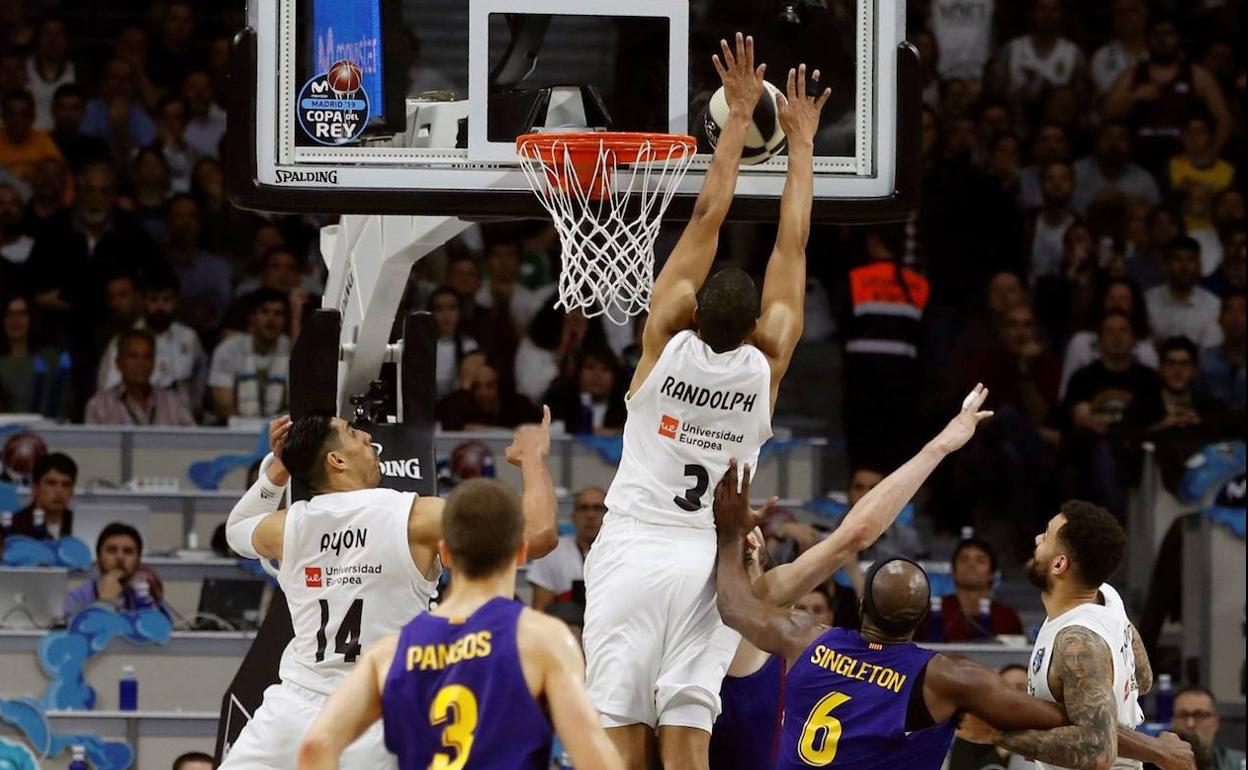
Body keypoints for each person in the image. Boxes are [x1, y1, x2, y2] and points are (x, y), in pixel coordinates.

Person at [581, 37, 830, 769]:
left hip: (631, 546)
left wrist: (736, 121)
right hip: (710, 556)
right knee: (690, 729)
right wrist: (801, 144)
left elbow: (705, 219)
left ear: (690, 311)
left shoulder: (661, 342)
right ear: (756, 325)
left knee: (622, 729)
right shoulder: (770, 359)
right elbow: (794, 241)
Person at [714, 473, 1196, 770]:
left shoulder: (805, 637)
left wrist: (731, 535)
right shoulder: (1108, 602)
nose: (1034, 537)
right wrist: (1157, 748)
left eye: (1046, 537)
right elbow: (1134, 684)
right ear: (925, 619)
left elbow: (734, 606)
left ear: (860, 609)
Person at [220, 411, 558, 769]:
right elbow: (538, 535)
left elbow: (236, 529)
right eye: (352, 433)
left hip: (292, 711)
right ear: (336, 460)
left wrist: (278, 470)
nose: (367, 436)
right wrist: (532, 458)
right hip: (377, 714)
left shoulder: (289, 525)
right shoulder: (413, 517)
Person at [711, 386, 995, 770]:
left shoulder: (764, 614)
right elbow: (855, 535)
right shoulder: (753, 603)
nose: (755, 527)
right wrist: (939, 447)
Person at [295, 478, 622, 770]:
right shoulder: (542, 639)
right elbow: (595, 761)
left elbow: (315, 747)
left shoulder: (388, 652)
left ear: (446, 554)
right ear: (521, 553)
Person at [962, 502, 1195, 770]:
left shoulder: (1077, 642)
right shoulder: (1106, 596)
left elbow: (1097, 750)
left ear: (1059, 564)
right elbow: (1141, 678)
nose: (1037, 539)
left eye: (1047, 535)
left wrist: (997, 734)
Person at [209, 288, 291, 420]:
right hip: (238, 431)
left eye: (278, 313)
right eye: (265, 312)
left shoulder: (291, 350)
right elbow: (223, 405)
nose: (271, 319)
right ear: (252, 318)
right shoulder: (229, 350)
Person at [85, 328, 193, 426]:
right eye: (133, 357)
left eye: (147, 357)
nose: (141, 363)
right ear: (119, 362)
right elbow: (92, 446)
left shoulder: (173, 402)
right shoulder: (99, 406)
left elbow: (194, 441)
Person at [527, 486, 606, 611]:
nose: (590, 515)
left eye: (598, 508)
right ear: (573, 516)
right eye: (583, 508)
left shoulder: (623, 553)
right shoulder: (552, 552)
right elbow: (540, 611)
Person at [62, 522, 166, 617]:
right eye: (112, 550)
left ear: (138, 561)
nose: (120, 557)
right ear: (99, 558)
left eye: (128, 551)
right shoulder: (77, 597)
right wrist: (106, 602)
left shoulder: (145, 598)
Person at [930, 537, 1024, 642]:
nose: (971, 565)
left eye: (980, 560)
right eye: (964, 560)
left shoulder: (1007, 617)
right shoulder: (932, 613)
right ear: (953, 573)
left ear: (992, 574)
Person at [946, 665, 1038, 770]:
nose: (1014, 696)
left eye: (1021, 688)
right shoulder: (973, 731)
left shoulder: (1047, 730)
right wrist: (1002, 749)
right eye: (1007, 688)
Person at [1145, 237, 1224, 348]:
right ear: (1167, 264)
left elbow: (1209, 352)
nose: (1184, 267)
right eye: (1178, 259)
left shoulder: (1213, 305)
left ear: (1199, 265)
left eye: (1190, 260)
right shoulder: (1147, 301)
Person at [1071, 123, 1160, 216]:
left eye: (1121, 139)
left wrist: (1125, 201)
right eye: (1107, 137)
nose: (1114, 144)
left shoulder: (1144, 179)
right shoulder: (1077, 172)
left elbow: (1155, 216)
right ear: (1096, 142)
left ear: (1130, 145)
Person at [435, 362, 541, 431]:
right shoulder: (459, 405)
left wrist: (485, 430)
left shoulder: (518, 405)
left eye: (490, 386)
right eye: (477, 386)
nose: (483, 392)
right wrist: (463, 390)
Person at [7, 452, 76, 539]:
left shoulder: (80, 523)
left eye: (66, 484)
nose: (59, 491)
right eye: (51, 483)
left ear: (72, 491)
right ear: (35, 488)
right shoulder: (13, 526)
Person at [1172, 686, 1245, 770]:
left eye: (1199, 715)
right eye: (1183, 715)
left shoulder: (1237, 764)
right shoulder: (1157, 763)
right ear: (1173, 721)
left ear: (1216, 722)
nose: (1190, 724)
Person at [0, 89, 63, 184]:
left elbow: (62, 177)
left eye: (24, 114)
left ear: (33, 117)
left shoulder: (43, 140)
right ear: (3, 117)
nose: (18, 120)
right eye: (12, 115)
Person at [1198, 290, 1245, 411]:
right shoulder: (1204, 360)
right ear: (1220, 319)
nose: (1236, 317)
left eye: (1243, 311)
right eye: (1229, 311)